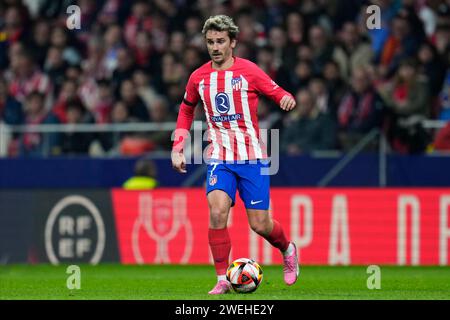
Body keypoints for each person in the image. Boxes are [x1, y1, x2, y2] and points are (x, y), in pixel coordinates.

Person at [171, 15, 299, 295]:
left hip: (252, 157)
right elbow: (186, 110)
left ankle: (287, 249)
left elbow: (278, 92)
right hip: (219, 156)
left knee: (260, 224)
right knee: (217, 213)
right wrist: (177, 147)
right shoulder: (198, 77)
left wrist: (287, 98)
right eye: (210, 42)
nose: (215, 47)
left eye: (220, 41)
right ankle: (221, 279)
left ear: (233, 43)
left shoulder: (249, 71)